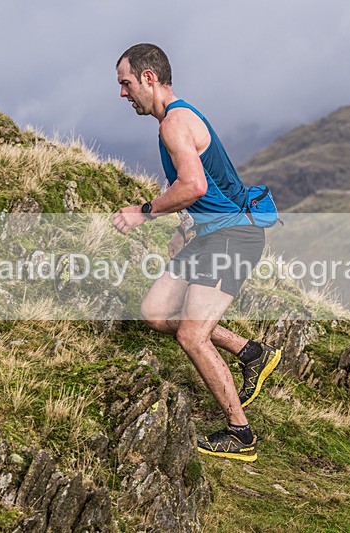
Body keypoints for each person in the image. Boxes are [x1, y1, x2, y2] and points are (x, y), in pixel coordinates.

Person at [112, 43, 281, 462]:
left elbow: (195, 186)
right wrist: (187, 226)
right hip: (210, 234)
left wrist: (144, 212)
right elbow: (206, 187)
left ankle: (240, 434)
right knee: (155, 312)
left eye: (126, 83)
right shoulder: (175, 120)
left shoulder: (174, 123)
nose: (123, 93)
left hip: (235, 236)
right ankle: (251, 353)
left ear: (148, 79)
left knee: (191, 334)